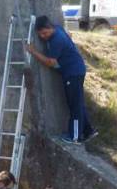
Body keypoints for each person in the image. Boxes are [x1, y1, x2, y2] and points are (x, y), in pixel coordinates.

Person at [26, 16, 96, 144]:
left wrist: (33, 51)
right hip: (77, 69)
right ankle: (88, 130)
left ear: (50, 28)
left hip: (72, 72)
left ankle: (75, 136)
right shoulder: (58, 30)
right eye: (40, 34)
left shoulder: (56, 40)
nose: (42, 36)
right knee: (78, 102)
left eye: (44, 33)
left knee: (74, 105)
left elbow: (50, 62)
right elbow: (68, 35)